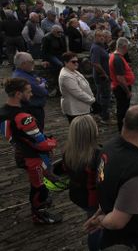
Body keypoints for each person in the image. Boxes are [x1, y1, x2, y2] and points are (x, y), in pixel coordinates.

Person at [84, 105, 138, 251]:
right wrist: (101, 220)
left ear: (124, 122)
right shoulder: (135, 171)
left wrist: (101, 210)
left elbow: (107, 184)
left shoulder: (108, 148)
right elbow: (118, 221)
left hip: (116, 220)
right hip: (137, 236)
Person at [0, 78, 62, 224]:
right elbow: (42, 144)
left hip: (21, 153)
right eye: (28, 91)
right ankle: (39, 216)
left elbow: (10, 136)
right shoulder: (23, 117)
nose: (31, 94)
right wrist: (53, 142)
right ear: (18, 94)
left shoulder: (3, 112)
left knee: (37, 185)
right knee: (39, 188)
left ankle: (38, 212)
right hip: (33, 158)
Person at [63, 115, 102, 251]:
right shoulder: (96, 156)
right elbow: (97, 184)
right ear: (91, 132)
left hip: (76, 194)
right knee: (95, 227)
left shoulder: (68, 150)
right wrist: (95, 209)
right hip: (91, 199)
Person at [12, 52, 48, 131]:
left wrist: (41, 83)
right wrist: (42, 85)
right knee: (36, 132)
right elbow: (43, 92)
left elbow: (42, 80)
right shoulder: (22, 78)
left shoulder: (26, 73)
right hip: (32, 110)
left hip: (33, 108)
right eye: (31, 61)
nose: (33, 63)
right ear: (23, 64)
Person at [58, 52, 95, 123]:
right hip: (75, 110)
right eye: (73, 61)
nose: (76, 63)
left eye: (77, 61)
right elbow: (78, 93)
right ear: (65, 62)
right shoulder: (65, 76)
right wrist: (92, 101)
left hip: (80, 108)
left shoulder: (73, 71)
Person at [109, 37, 135, 132]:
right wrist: (128, 92)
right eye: (127, 46)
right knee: (122, 110)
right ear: (124, 46)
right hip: (121, 89)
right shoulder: (117, 59)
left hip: (119, 87)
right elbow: (120, 78)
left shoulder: (116, 56)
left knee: (122, 109)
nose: (128, 48)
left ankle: (123, 128)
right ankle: (122, 130)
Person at [90, 30, 113, 125]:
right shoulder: (96, 48)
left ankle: (100, 114)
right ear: (95, 37)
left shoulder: (100, 47)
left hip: (102, 76)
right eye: (99, 36)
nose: (102, 37)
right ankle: (105, 117)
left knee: (100, 95)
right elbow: (95, 63)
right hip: (101, 77)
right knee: (105, 96)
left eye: (103, 36)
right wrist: (104, 74)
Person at [42, 25, 67, 95]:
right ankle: (58, 83)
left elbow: (64, 48)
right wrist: (44, 60)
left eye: (61, 32)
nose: (60, 33)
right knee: (60, 64)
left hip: (60, 54)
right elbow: (44, 50)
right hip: (51, 55)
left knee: (68, 63)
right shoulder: (47, 38)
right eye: (58, 32)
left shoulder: (61, 36)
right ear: (53, 31)